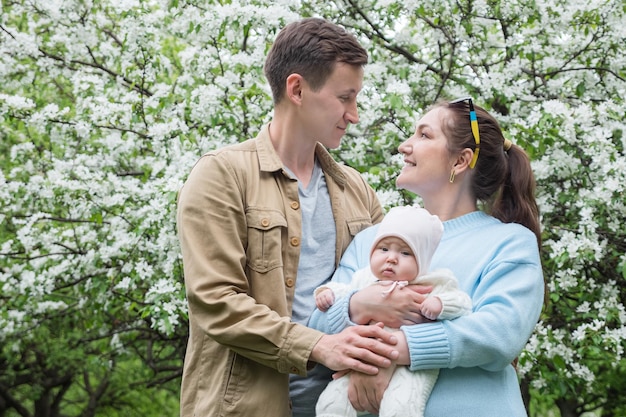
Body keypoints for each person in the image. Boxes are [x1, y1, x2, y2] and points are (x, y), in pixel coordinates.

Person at [176, 17, 407, 417]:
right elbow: (217, 301)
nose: (354, 114)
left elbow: (391, 286)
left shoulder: (358, 190)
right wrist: (319, 345)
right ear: (297, 89)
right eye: (345, 98)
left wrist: (379, 360)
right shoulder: (221, 175)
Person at [308, 97, 545, 416]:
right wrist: (360, 304)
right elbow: (317, 324)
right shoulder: (372, 240)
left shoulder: (509, 242)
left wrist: (388, 354)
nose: (405, 145)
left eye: (423, 135)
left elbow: (499, 333)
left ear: (461, 161)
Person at [314, 206, 472, 417]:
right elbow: (342, 291)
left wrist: (439, 304)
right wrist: (326, 292)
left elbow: (462, 303)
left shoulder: (433, 282)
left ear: (422, 261)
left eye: (405, 253)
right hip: (362, 362)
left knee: (402, 406)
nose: (391, 258)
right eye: (384, 249)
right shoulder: (364, 279)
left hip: (413, 366)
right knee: (331, 403)